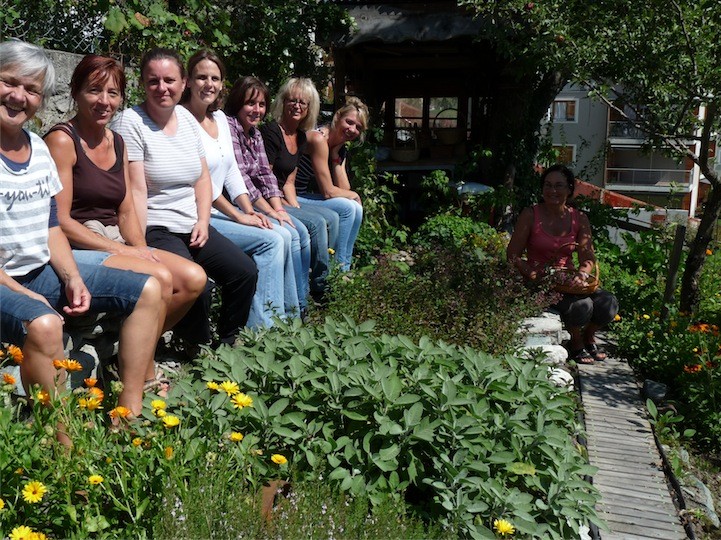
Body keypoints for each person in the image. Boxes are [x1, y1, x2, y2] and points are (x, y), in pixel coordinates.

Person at [0, 40, 164, 419]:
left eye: (31, 89)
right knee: (45, 324)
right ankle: (62, 441)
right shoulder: (58, 141)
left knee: (149, 288)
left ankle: (128, 417)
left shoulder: (36, 149)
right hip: (8, 281)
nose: (19, 96)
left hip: (38, 271)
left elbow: (51, 227)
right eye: (9, 82)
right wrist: (25, 294)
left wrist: (72, 277)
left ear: (42, 99)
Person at [44, 54, 206, 343]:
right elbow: (61, 221)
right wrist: (123, 251)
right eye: (94, 90)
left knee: (194, 278)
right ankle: (139, 360)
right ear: (75, 92)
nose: (104, 101)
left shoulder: (117, 141)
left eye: (113, 93)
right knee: (161, 276)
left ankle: (130, 347)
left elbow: (127, 210)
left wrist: (140, 248)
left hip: (112, 240)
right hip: (77, 246)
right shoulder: (62, 141)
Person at [113, 47, 257, 346]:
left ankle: (229, 342)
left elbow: (202, 179)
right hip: (156, 226)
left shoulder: (187, 119)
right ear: (143, 84)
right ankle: (196, 349)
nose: (162, 88)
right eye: (153, 81)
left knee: (244, 271)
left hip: (192, 223)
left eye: (169, 80)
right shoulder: (131, 122)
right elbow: (136, 189)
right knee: (198, 286)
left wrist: (203, 221)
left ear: (183, 83)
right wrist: (139, 245)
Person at [180, 49, 299, 325]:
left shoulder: (220, 120)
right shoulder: (181, 119)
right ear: (188, 81)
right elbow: (201, 182)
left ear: (222, 84)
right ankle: (263, 328)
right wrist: (238, 216)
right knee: (272, 240)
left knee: (282, 233)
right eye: (201, 77)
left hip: (220, 211)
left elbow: (233, 172)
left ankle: (288, 318)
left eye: (214, 78)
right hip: (197, 215)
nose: (208, 84)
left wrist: (250, 211)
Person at [506, 164, 619, 364]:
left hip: (567, 280)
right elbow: (512, 255)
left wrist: (582, 274)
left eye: (559, 185)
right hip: (539, 282)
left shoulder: (579, 218)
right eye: (548, 185)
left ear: (569, 189)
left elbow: (587, 257)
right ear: (542, 189)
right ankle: (576, 342)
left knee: (608, 302)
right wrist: (532, 274)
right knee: (582, 305)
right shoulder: (530, 215)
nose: (553, 190)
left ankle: (589, 335)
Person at [224, 77, 319, 303]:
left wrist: (279, 211)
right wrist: (269, 211)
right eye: (250, 103)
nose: (257, 110)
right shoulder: (229, 128)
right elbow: (242, 178)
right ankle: (287, 308)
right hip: (232, 203)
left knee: (294, 230)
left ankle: (297, 304)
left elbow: (265, 175)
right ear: (238, 103)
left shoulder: (255, 133)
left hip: (254, 201)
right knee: (285, 235)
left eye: (261, 105)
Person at [260, 77, 342, 295]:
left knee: (332, 217)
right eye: (292, 100)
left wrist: (295, 207)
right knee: (315, 223)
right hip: (267, 199)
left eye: (302, 102)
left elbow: (289, 182)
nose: (297, 106)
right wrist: (281, 207)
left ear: (309, 108)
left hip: (283, 196)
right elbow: (264, 178)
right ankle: (319, 287)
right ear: (283, 102)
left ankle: (329, 273)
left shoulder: (301, 137)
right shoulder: (271, 131)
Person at [293, 96, 366, 271]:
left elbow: (343, 189)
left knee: (355, 208)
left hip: (304, 195)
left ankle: (344, 266)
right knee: (348, 208)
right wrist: (355, 195)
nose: (352, 129)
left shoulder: (339, 147)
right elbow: (328, 192)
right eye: (349, 122)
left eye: (358, 127)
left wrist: (335, 156)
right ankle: (338, 269)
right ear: (337, 117)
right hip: (292, 196)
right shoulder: (319, 138)